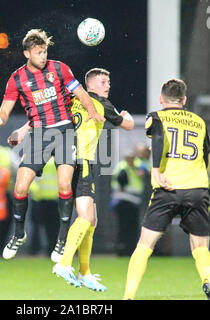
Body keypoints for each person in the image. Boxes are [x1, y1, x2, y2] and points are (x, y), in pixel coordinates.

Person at [0, 29, 105, 261]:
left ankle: (61, 242)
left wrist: (92, 111)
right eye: (38, 52)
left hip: (64, 130)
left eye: (45, 51)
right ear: (26, 53)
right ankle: (19, 234)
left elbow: (80, 92)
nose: (43, 56)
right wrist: (0, 119)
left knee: (64, 185)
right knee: (21, 187)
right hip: (39, 134)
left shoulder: (59, 68)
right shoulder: (17, 79)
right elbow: (6, 106)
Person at [123, 79, 210, 300]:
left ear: (161, 99)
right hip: (197, 188)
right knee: (200, 246)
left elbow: (158, 137)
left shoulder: (156, 117)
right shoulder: (199, 121)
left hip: (167, 187)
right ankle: (208, 282)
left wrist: (156, 169)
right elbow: (206, 154)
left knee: (144, 245)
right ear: (184, 100)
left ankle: (128, 296)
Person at [51, 68, 134, 291]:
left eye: (108, 81)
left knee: (92, 219)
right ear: (91, 85)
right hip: (84, 160)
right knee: (86, 217)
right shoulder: (99, 103)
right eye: (103, 81)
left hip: (68, 160)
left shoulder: (70, 99)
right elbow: (127, 125)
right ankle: (64, 262)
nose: (108, 85)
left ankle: (84, 272)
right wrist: (126, 115)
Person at [111, 151, 148, 256]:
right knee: (125, 227)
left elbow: (146, 168)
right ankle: (123, 249)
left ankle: (129, 249)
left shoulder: (136, 166)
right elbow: (120, 181)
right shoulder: (123, 167)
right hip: (124, 201)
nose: (132, 160)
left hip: (132, 202)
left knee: (132, 227)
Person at [28, 157, 59, 256]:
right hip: (52, 199)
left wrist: (35, 191)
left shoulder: (35, 160)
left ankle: (35, 250)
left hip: (40, 199)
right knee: (52, 228)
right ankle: (51, 249)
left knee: (37, 227)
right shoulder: (58, 160)